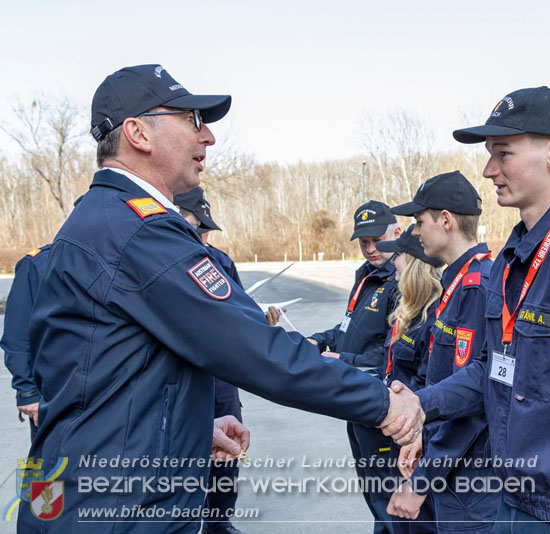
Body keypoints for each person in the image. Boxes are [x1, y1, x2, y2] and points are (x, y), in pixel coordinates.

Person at [20, 64, 422, 533]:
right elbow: (253, 347)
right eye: (191, 120)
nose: (207, 135)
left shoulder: (107, 220)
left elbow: (102, 375)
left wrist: (186, 433)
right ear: (137, 133)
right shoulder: (138, 231)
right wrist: (382, 402)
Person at [394, 90, 550, 532]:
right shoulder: (513, 258)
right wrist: (420, 403)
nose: (489, 170)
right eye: (490, 156)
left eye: (502, 154)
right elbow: (494, 368)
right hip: (512, 498)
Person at [387, 171, 499, 533]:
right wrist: (420, 435)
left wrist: (423, 480)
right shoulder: (457, 283)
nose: (415, 233)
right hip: (450, 470)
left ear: (446, 220)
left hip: (471, 479)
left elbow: (473, 403)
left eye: (420, 222)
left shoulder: (478, 287)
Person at [308, 200, 401, 534]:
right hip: (356, 404)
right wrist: (318, 340)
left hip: (381, 405)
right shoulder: (367, 276)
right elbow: (349, 329)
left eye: (377, 239)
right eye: (364, 241)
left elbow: (393, 357)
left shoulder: (402, 282)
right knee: (374, 496)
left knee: (389, 502)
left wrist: (342, 362)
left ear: (397, 233)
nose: (371, 248)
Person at [174, 186, 245, 534]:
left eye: (206, 230)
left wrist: (262, 320)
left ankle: (219, 521)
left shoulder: (220, 262)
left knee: (227, 451)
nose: (202, 236)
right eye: (196, 227)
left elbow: (241, 314)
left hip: (221, 376)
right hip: (180, 373)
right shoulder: (165, 259)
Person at [375, 224, 443, 534]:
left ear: (414, 263)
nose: (393, 263)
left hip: (419, 448)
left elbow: (433, 386)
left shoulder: (434, 318)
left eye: (398, 256)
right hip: (400, 441)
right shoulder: (409, 313)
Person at [1, 245, 51, 442]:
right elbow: (17, 335)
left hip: (108, 398)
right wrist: (28, 392)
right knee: (54, 468)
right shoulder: (37, 264)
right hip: (52, 396)